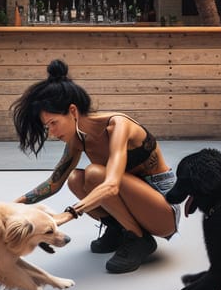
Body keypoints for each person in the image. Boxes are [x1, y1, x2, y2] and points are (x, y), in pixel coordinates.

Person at [13, 59, 179, 273]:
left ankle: (139, 239)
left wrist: (68, 214)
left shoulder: (118, 125)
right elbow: (54, 184)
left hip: (163, 209)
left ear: (73, 111)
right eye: (47, 127)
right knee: (75, 178)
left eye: (53, 123)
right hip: (134, 201)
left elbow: (111, 186)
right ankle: (119, 230)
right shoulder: (78, 140)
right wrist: (14, 205)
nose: (51, 133)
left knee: (94, 174)